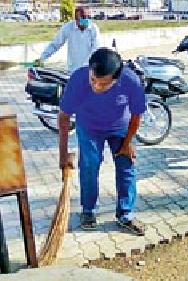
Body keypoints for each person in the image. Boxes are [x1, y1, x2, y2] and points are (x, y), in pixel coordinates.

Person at [58, 48, 146, 235]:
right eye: (93, 80)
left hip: (120, 128)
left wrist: (127, 143)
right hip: (89, 128)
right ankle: (88, 211)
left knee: (126, 165)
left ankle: (126, 214)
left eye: (103, 83)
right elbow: (64, 117)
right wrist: (63, 154)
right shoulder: (78, 79)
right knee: (89, 166)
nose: (96, 86)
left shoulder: (131, 81)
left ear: (117, 78)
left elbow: (137, 115)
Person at [36, 7, 100, 73]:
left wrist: (86, 65)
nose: (86, 21)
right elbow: (55, 44)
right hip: (72, 70)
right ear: (76, 19)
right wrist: (42, 58)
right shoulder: (68, 27)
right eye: (83, 18)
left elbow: (96, 49)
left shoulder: (93, 29)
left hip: (89, 71)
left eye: (88, 18)